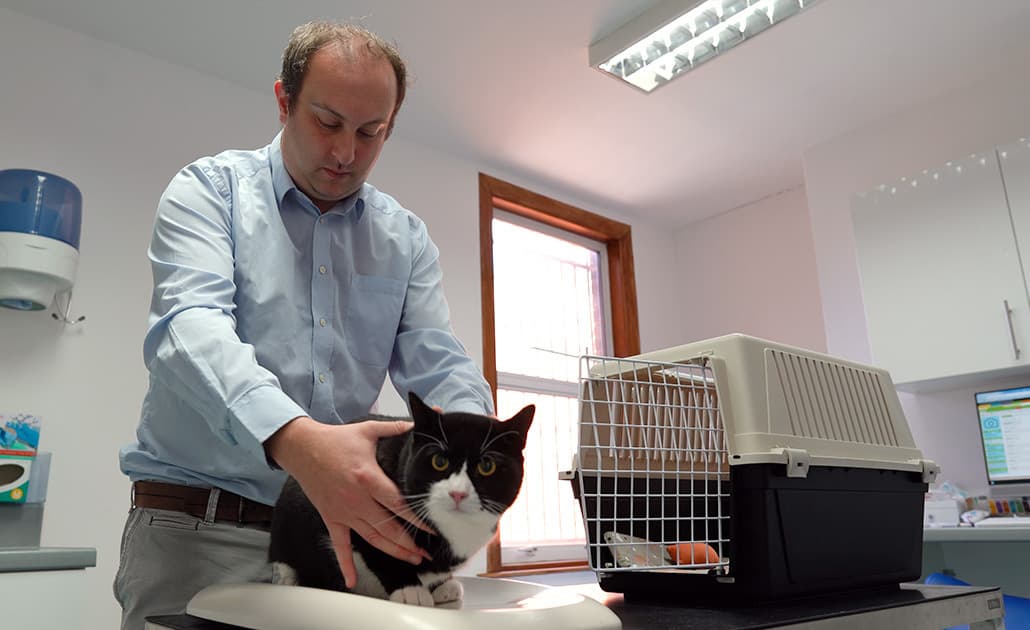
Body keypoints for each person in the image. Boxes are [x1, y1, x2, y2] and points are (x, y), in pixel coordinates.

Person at [113, 21, 494, 629]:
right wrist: (298, 439)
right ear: (284, 101)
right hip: (198, 531)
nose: (347, 153)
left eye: (372, 132)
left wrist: (482, 451)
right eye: (328, 122)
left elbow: (439, 361)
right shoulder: (208, 192)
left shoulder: (406, 240)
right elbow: (189, 329)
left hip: (335, 538)